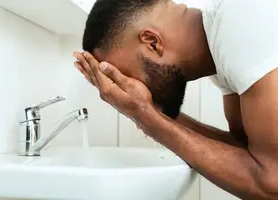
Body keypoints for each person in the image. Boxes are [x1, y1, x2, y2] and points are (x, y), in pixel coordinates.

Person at [73, 0, 278, 199]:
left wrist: (146, 117)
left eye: (125, 76)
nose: (130, 87)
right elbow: (245, 152)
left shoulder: (241, 16)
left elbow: (272, 182)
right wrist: (152, 113)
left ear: (152, 42)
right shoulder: (223, 46)